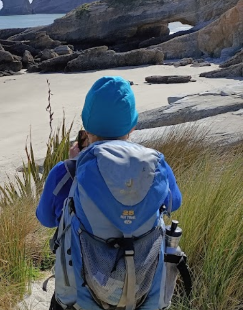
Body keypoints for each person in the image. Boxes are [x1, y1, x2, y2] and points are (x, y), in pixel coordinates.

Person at [36, 76, 182, 310]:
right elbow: (174, 203)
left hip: (79, 299)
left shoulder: (66, 172)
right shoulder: (157, 167)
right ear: (132, 126)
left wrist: (75, 168)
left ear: (86, 128)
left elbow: (45, 218)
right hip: (143, 294)